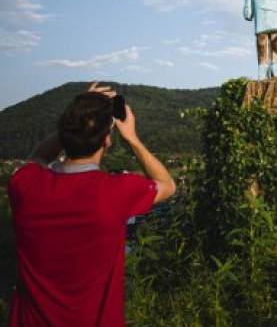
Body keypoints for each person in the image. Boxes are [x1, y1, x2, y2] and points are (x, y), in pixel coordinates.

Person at [7, 83, 176, 327]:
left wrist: (73, 124)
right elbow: (167, 184)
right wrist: (132, 139)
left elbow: (39, 157)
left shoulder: (24, 185)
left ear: (65, 133)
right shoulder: (116, 192)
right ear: (107, 140)